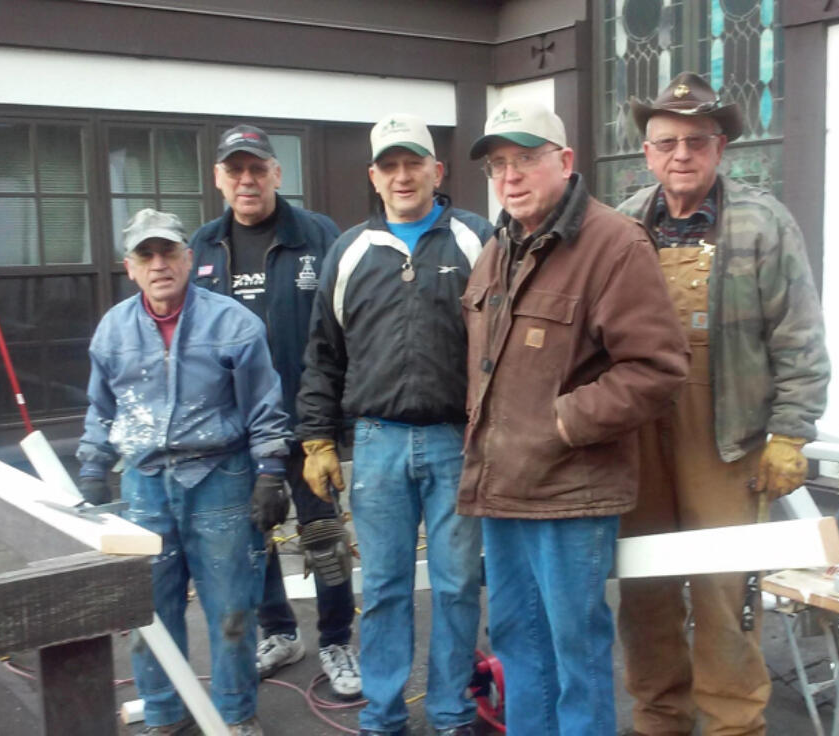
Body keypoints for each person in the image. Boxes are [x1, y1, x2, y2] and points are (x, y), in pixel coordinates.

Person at [460, 99, 689, 736]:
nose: (510, 176)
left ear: (564, 161)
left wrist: (562, 424)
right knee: (516, 646)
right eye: (499, 164)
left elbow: (657, 368)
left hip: (571, 492)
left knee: (575, 651)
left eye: (526, 159)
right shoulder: (496, 248)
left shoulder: (614, 245)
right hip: (503, 489)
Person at [615, 72, 831, 736]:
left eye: (697, 140)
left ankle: (734, 724)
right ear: (647, 152)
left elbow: (799, 335)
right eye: (667, 141)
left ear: (720, 148)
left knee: (723, 586)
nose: (682, 153)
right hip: (635, 432)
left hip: (728, 433)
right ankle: (659, 719)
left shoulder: (763, 223)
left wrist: (791, 432)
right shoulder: (620, 225)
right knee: (642, 582)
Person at [297, 113, 493, 736]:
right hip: (377, 443)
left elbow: (507, 347)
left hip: (455, 444)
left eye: (415, 163)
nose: (403, 176)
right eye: (390, 166)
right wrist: (319, 439)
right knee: (382, 587)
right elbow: (323, 352)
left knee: (459, 584)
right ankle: (383, 717)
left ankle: (452, 711)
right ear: (374, 178)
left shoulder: (477, 241)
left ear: (438, 171)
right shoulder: (349, 251)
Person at [77, 208, 291, 736]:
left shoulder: (234, 324)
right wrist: (90, 471)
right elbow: (102, 410)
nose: (159, 264)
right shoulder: (112, 331)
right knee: (147, 613)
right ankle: (164, 713)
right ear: (130, 267)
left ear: (189, 259)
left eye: (168, 251)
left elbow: (265, 405)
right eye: (146, 255)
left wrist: (270, 472)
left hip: (220, 482)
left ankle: (236, 715)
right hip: (143, 487)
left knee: (232, 611)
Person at [187, 124, 362, 695]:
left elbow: (341, 331)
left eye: (257, 169)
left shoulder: (317, 235)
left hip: (307, 423)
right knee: (252, 539)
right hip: (233, 432)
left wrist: (335, 422)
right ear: (219, 179)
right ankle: (280, 631)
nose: (246, 180)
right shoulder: (201, 248)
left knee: (323, 537)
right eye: (234, 171)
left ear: (276, 174)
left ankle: (337, 640)